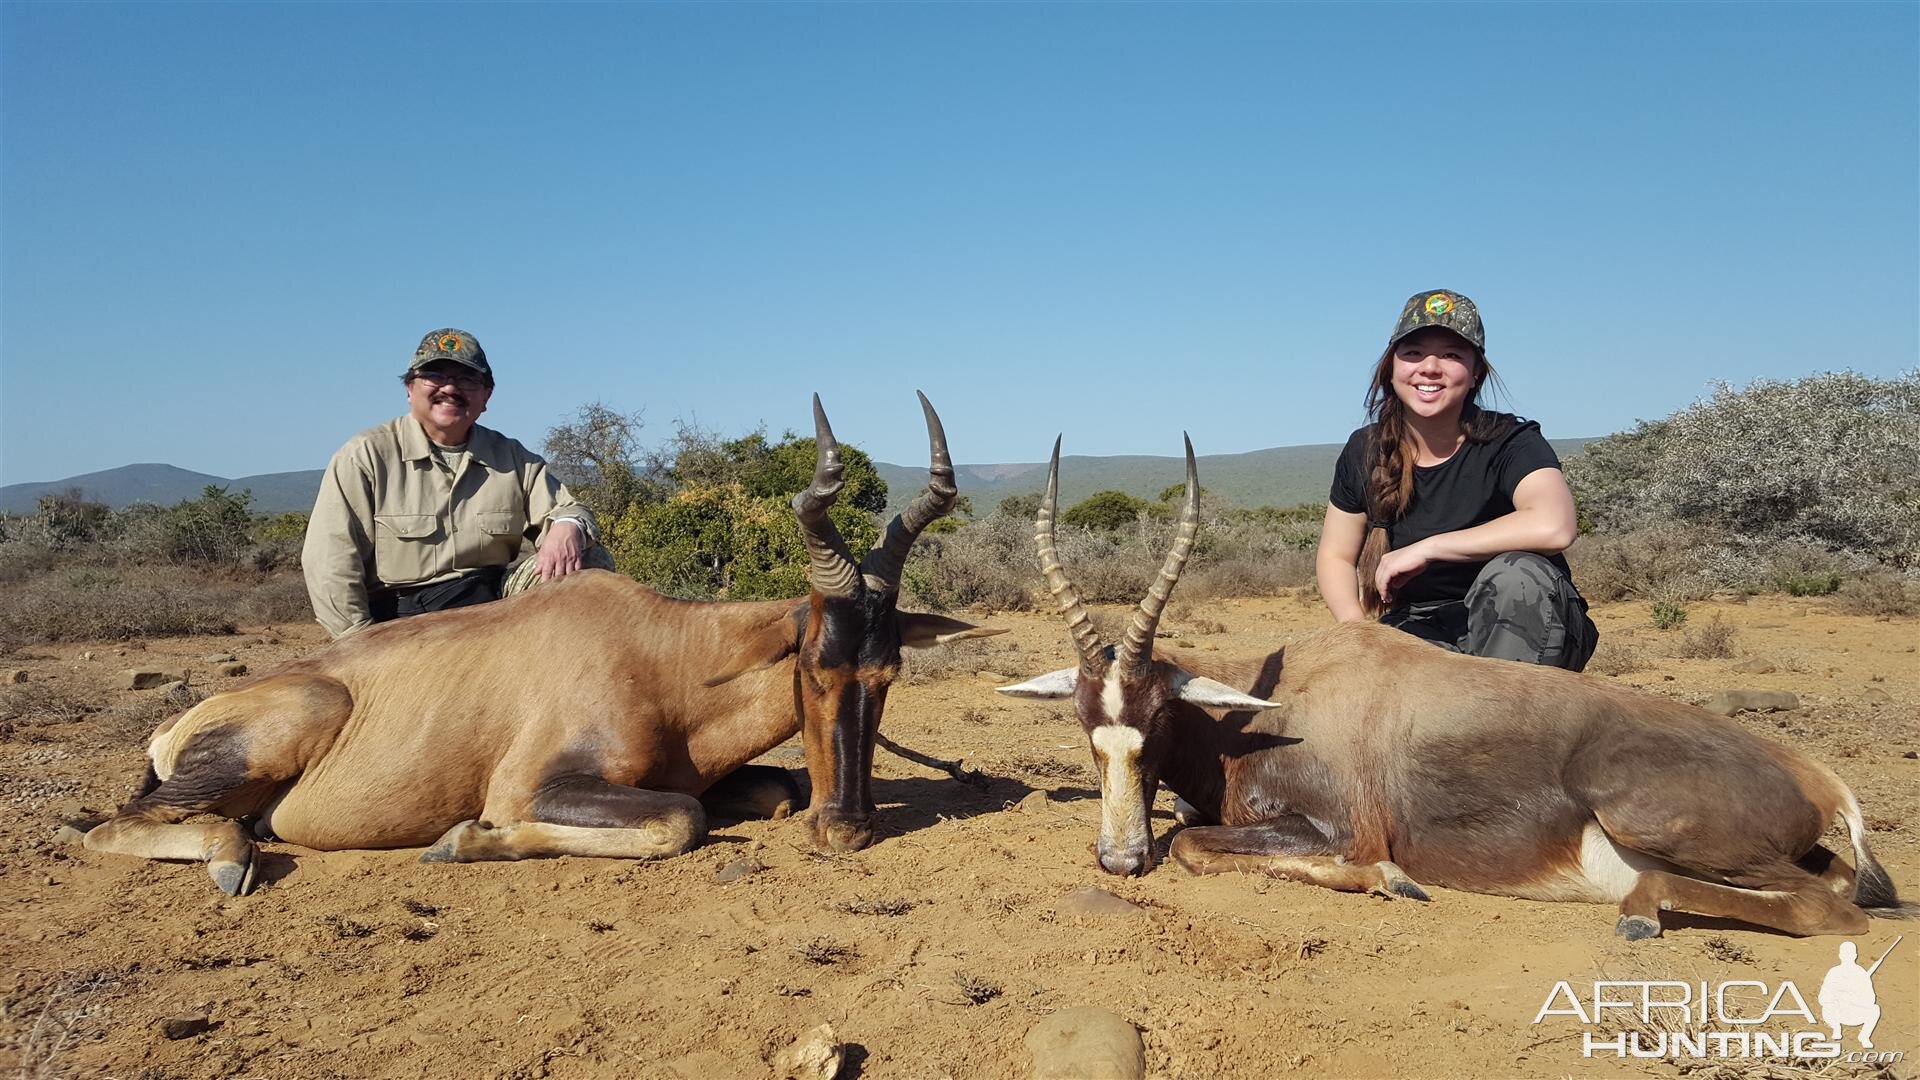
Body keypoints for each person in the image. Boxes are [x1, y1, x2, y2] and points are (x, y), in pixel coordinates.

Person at [1315, 290, 1598, 671]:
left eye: (1451, 355)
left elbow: (1554, 526)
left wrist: (1428, 548)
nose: (1429, 368)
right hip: (1421, 627)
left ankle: (1512, 722)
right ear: (1391, 367)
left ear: (1476, 370)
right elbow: (1335, 556)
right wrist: (1358, 636)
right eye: (1412, 353)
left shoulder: (1512, 441)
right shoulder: (1363, 450)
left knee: (1517, 575)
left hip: (1528, 623)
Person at [302, 328, 603, 639]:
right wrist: (361, 646)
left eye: (467, 380)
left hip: (493, 608)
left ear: (486, 395)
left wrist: (568, 525)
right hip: (405, 623)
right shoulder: (366, 455)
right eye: (435, 376)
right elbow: (329, 562)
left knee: (591, 559)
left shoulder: (511, 456)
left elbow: (569, 508)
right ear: (410, 388)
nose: (450, 388)